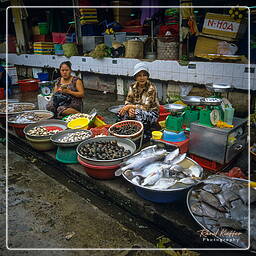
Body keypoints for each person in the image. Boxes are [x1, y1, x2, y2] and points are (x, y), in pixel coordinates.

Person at [118, 62, 160, 141]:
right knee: (121, 111)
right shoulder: (132, 86)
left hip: (151, 113)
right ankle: (127, 132)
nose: (142, 78)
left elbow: (146, 107)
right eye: (139, 75)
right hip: (136, 109)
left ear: (147, 76)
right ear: (135, 77)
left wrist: (131, 107)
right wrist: (130, 108)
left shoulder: (151, 88)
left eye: (144, 75)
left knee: (137, 113)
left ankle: (140, 135)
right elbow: (128, 100)